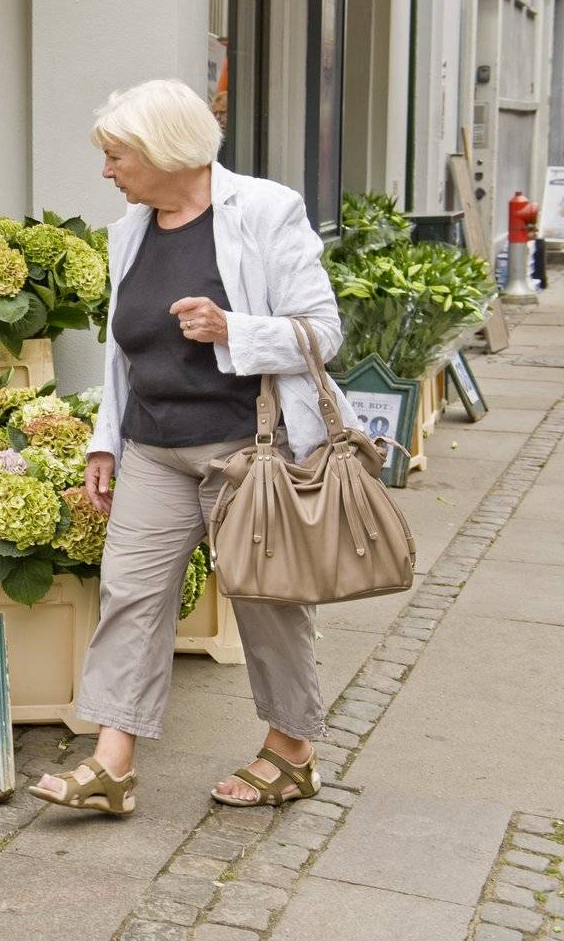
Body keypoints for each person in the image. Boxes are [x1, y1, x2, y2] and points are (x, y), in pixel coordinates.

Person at [31, 78, 360, 817]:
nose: (107, 171)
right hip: (153, 446)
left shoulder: (265, 212)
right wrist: (105, 440)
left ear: (163, 151)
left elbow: (323, 330)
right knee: (130, 595)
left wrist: (232, 328)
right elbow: (124, 352)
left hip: (248, 447)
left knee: (267, 600)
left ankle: (291, 751)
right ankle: (113, 761)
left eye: (117, 156)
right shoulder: (133, 229)